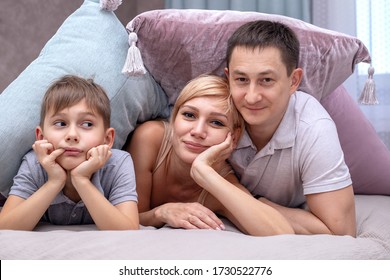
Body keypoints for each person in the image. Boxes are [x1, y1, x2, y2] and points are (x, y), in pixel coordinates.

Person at [224, 20, 356, 236]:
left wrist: (250, 203)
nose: (251, 96)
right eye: (241, 79)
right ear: (227, 77)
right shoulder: (214, 112)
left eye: (266, 80)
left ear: (293, 81)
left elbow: (341, 231)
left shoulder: (313, 128)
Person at [127, 74, 294, 236]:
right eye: (189, 115)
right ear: (174, 118)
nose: (198, 131)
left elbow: (281, 232)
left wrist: (204, 172)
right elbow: (131, 218)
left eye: (216, 122)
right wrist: (162, 212)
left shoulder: (222, 182)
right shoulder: (150, 139)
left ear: (233, 137)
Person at [0, 75, 139, 231]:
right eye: (61, 123)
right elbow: (5, 226)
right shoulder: (35, 164)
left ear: (107, 139)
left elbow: (128, 230)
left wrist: (82, 180)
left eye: (87, 124)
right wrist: (54, 181)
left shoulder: (118, 164)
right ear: (41, 137)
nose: (72, 135)